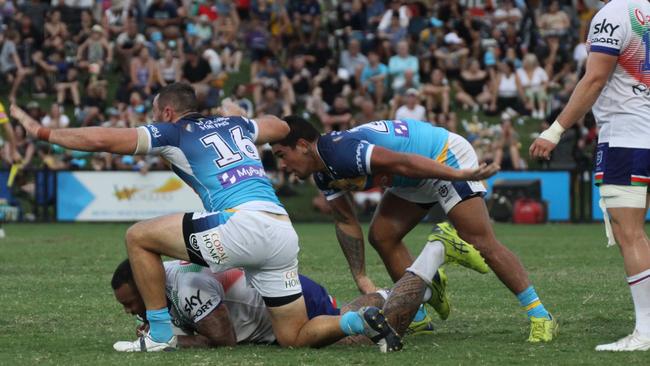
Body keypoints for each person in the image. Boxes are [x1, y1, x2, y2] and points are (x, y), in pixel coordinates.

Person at [9, 83, 400, 353]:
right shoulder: (238, 124)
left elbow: (100, 140)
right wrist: (236, 116)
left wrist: (41, 131)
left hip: (239, 225)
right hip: (281, 230)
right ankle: (358, 321)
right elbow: (281, 126)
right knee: (294, 337)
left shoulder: (172, 132)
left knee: (138, 237)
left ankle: (160, 334)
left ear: (166, 111)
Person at [271, 117, 558, 342]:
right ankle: (418, 310)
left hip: (442, 156)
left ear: (304, 145)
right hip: (411, 177)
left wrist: (459, 174)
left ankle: (541, 315)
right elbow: (347, 222)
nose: (282, 165)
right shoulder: (323, 173)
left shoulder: (340, 152)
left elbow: (403, 161)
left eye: (283, 155)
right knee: (382, 236)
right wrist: (360, 275)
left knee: (481, 241)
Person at [530, 0, 650, 351]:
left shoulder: (613, 15)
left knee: (629, 234)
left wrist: (555, 130)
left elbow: (595, 78)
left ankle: (645, 331)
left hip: (627, 137)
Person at [111, 259, 436, 349]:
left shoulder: (185, 285)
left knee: (357, 337)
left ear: (146, 285)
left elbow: (223, 339)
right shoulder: (166, 279)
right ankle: (404, 294)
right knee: (351, 318)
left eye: (131, 302)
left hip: (294, 302)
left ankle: (420, 282)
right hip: (277, 297)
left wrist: (170, 342)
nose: (129, 310)